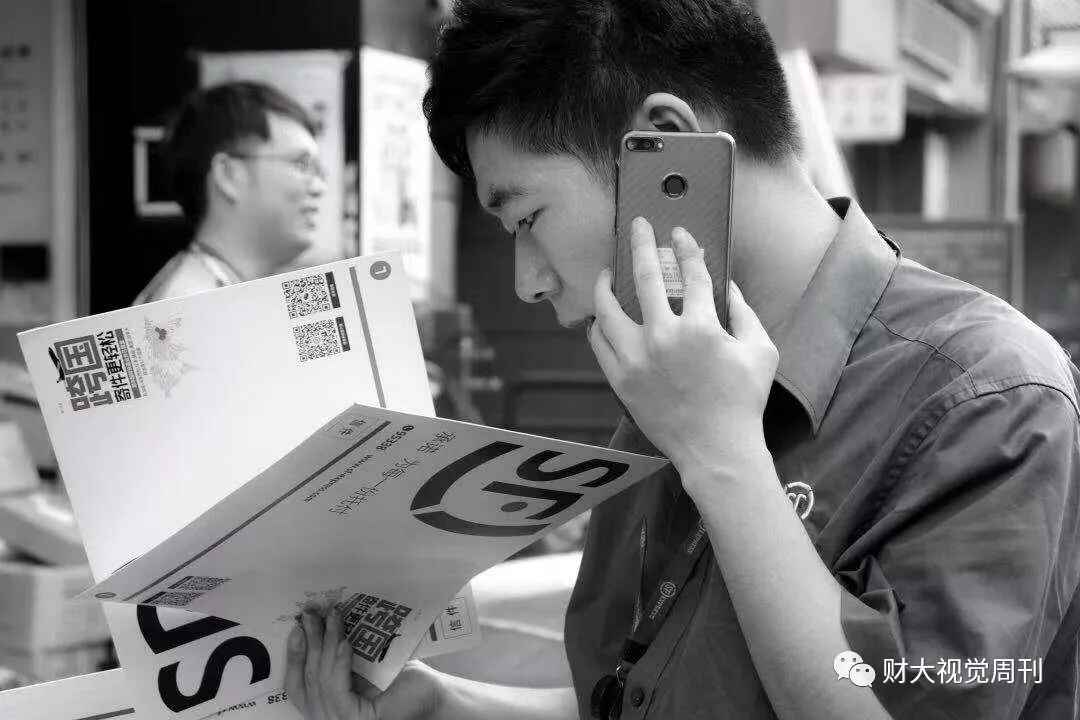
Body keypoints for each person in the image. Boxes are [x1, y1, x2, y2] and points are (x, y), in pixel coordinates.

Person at [284, 1, 1080, 719]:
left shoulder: (991, 394)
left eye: (526, 217)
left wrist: (722, 455)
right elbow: (650, 692)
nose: (528, 282)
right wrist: (443, 708)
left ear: (666, 145)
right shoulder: (674, 381)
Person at [133, 81, 326, 304]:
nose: (320, 188)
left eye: (318, 170)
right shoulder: (187, 308)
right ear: (228, 174)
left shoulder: (216, 296)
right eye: (301, 164)